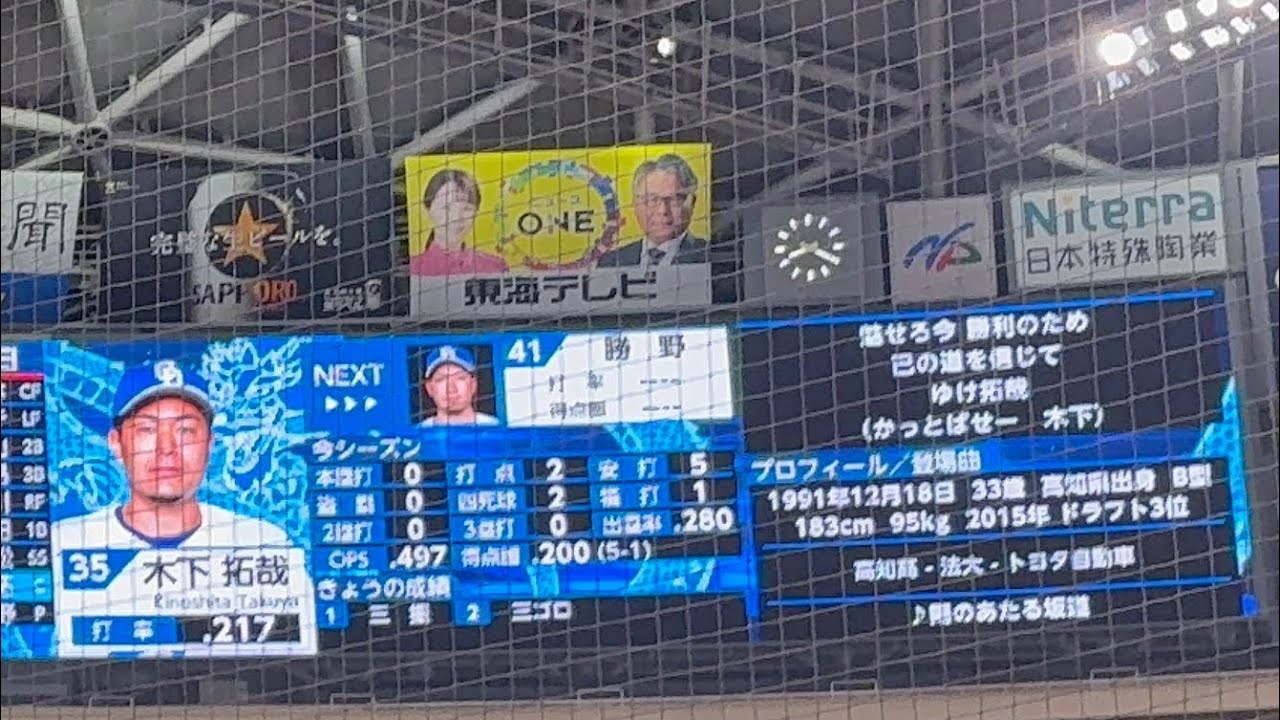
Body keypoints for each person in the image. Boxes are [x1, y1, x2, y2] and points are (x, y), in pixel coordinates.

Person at [52, 359, 291, 550]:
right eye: (147, 429)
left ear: (210, 444)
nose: (166, 448)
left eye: (185, 430)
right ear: (116, 443)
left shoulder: (264, 543)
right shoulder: (65, 543)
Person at [596, 154, 708, 268]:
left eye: (673, 199)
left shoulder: (710, 256)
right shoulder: (611, 262)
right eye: (652, 200)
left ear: (691, 202)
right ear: (634, 203)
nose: (663, 210)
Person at [409, 169, 509, 276]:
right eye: (446, 208)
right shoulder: (412, 268)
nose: (457, 217)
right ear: (428, 211)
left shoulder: (495, 267)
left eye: (466, 209)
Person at [418, 345, 500, 427]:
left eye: (460, 378)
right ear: (429, 388)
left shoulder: (497, 429)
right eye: (441, 379)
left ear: (473, 384)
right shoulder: (416, 433)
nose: (451, 389)